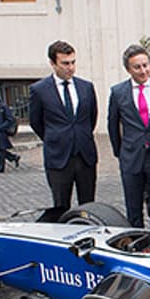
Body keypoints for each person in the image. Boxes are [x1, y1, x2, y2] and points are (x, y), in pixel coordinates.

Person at [108, 45, 150, 228]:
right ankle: (137, 242)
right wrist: (120, 152)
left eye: (145, 65)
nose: (143, 71)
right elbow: (113, 125)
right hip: (131, 157)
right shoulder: (118, 92)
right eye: (137, 67)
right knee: (133, 206)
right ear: (128, 69)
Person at [29, 40, 99, 211]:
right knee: (60, 206)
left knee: (89, 205)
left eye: (73, 62)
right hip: (58, 157)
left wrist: (80, 136)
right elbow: (36, 122)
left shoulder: (86, 87)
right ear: (53, 63)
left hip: (85, 155)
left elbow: (92, 117)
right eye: (65, 63)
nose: (70, 67)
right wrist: (56, 137)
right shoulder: (39, 90)